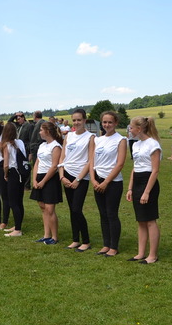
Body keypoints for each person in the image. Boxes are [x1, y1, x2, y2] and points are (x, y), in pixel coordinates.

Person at [90, 111, 127, 257]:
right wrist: (93, 180)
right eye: (104, 122)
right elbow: (92, 161)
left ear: (116, 123)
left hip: (113, 182)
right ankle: (106, 244)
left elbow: (120, 164)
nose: (107, 125)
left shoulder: (121, 140)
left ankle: (114, 247)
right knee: (103, 214)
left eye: (110, 122)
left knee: (111, 214)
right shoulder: (98, 140)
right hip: (97, 181)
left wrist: (106, 182)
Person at [126, 116, 162, 264]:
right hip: (137, 182)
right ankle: (141, 253)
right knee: (140, 220)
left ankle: (152, 255)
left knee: (150, 220)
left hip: (149, 182)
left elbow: (155, 170)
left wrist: (146, 192)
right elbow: (135, 168)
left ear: (139, 128)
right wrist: (130, 188)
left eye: (131, 127)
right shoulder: (135, 145)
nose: (129, 130)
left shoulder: (153, 144)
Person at [58, 108, 94, 252]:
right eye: (74, 120)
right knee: (72, 210)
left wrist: (78, 179)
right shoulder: (68, 136)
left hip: (81, 177)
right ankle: (75, 240)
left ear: (84, 120)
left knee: (77, 209)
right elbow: (62, 158)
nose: (76, 122)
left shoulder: (90, 137)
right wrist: (62, 176)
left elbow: (90, 160)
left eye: (79, 120)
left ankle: (86, 241)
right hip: (66, 175)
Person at [30, 121, 63, 245]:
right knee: (43, 207)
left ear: (47, 132)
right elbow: (37, 163)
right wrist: (34, 179)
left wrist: (43, 181)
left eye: (41, 130)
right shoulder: (42, 145)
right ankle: (46, 235)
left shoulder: (56, 146)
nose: (39, 132)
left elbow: (54, 166)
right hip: (39, 176)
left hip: (50, 179)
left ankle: (54, 237)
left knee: (50, 209)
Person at [2, 123, 28, 237]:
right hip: (22, 173)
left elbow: (6, 164)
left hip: (13, 173)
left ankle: (18, 229)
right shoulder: (20, 142)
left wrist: (5, 174)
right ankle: (18, 225)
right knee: (19, 201)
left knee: (12, 202)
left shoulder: (6, 145)